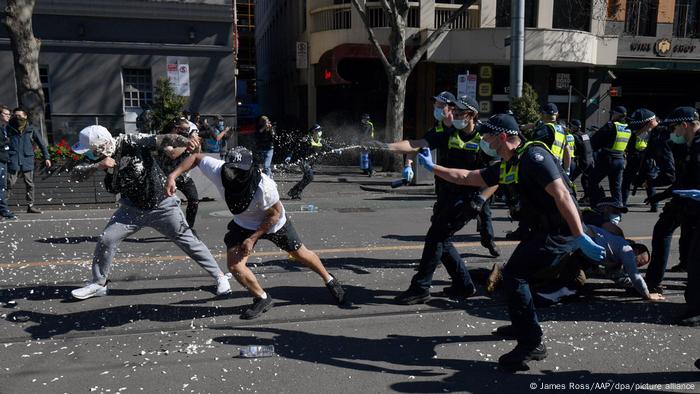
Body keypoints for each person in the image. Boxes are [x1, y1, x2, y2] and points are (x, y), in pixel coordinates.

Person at [415, 113, 606, 371]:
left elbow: (562, 195)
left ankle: (532, 343)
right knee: (515, 275)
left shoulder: (534, 157)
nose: (485, 140)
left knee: (516, 275)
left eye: (489, 136)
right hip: (542, 231)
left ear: (503, 136)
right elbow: (468, 177)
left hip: (560, 231)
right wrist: (433, 168)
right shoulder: (510, 164)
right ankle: (523, 327)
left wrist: (579, 235)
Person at [165, 147, 346, 319]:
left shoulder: (265, 186)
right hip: (243, 224)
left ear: (250, 168)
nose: (234, 174)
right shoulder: (219, 170)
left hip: (274, 223)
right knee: (235, 266)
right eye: (231, 169)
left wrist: (252, 239)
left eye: (239, 170)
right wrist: (173, 175)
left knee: (300, 253)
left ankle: (329, 279)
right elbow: (196, 158)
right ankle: (262, 298)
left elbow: (274, 215)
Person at [68, 125, 231, 300]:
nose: (88, 155)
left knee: (188, 240)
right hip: (131, 208)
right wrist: (97, 165)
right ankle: (99, 283)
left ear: (101, 146)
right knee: (107, 239)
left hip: (162, 204)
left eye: (90, 151)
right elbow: (75, 175)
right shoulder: (98, 158)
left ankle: (220, 276)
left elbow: (164, 139)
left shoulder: (131, 141)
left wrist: (187, 141)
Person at [381, 95, 499, 304]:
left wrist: (481, 200)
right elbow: (417, 144)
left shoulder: (485, 138)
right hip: (445, 195)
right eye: (453, 111)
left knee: (435, 237)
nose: (454, 115)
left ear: (471, 115)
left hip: (468, 199)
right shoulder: (448, 131)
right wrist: (385, 147)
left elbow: (497, 176)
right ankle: (463, 285)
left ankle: (421, 287)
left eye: (459, 113)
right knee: (442, 239)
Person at [643, 107, 700, 326]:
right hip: (692, 207)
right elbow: (684, 180)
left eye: (675, 127)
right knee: (694, 262)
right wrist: (664, 194)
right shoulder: (691, 146)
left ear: (684, 125)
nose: (673, 131)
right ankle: (693, 306)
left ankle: (696, 310)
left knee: (696, 263)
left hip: (695, 208)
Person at [158, 118, 201, 230]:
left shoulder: (186, 139)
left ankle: (188, 228)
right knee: (170, 205)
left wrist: (196, 146)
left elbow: (195, 157)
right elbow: (172, 154)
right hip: (167, 176)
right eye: (184, 130)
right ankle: (170, 227)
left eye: (188, 130)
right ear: (176, 129)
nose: (187, 132)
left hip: (183, 176)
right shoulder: (165, 138)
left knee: (194, 200)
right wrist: (187, 143)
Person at [6, 107, 51, 214]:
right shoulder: (8, 127)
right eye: (15, 116)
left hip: (27, 159)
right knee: (9, 183)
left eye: (20, 116)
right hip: (13, 159)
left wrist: (47, 157)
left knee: (29, 184)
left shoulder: (31, 129)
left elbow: (41, 143)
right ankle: (3, 206)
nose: (17, 118)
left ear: (25, 116)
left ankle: (30, 206)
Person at [587, 106, 630, 206]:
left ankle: (596, 205)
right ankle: (618, 208)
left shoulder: (610, 126)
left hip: (608, 159)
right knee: (616, 187)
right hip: (620, 159)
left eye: (613, 113)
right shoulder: (627, 128)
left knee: (592, 180)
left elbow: (595, 141)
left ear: (617, 114)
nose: (611, 115)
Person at [286, 124, 340, 200]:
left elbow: (328, 148)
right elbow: (295, 148)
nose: (320, 132)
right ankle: (295, 191)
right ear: (313, 132)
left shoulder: (321, 141)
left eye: (320, 130)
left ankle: (294, 192)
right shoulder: (307, 140)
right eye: (318, 130)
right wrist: (289, 156)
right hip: (303, 161)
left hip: (311, 162)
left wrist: (335, 150)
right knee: (310, 177)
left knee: (306, 178)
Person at [621, 109, 657, 211]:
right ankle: (622, 204)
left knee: (649, 182)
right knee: (627, 181)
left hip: (647, 159)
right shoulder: (637, 131)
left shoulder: (656, 133)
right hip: (636, 157)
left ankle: (654, 204)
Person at [0, 105, 17, 220]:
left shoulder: (5, 128)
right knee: (1, 186)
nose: (8, 116)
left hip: (4, 160)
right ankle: (4, 211)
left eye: (9, 114)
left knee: (3, 186)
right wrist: (6, 142)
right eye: (5, 114)